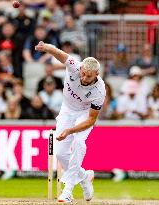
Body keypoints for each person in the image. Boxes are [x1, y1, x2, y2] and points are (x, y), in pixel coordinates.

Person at [35, 41, 106, 203]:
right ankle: (84, 177)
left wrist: (70, 131)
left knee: (79, 143)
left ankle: (68, 191)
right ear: (80, 68)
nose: (84, 78)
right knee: (60, 153)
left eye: (89, 76)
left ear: (97, 74)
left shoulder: (100, 90)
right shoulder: (74, 65)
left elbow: (91, 120)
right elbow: (59, 54)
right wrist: (45, 47)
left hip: (84, 114)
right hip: (67, 110)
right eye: (83, 73)